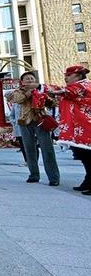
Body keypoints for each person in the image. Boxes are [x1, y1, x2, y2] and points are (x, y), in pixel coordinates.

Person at [6, 71, 61, 186]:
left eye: (32, 78)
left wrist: (47, 97)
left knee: (47, 149)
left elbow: (52, 103)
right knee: (29, 149)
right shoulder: (18, 91)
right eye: (27, 79)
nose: (30, 80)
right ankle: (34, 174)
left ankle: (54, 177)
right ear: (22, 81)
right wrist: (30, 92)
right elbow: (19, 100)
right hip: (25, 122)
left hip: (40, 120)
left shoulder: (41, 90)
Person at [52, 65, 91, 193]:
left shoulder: (83, 85)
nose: (66, 78)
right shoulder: (77, 87)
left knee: (88, 155)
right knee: (84, 156)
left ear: (79, 75)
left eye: (69, 75)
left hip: (86, 126)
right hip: (79, 127)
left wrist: (45, 88)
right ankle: (88, 180)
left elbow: (68, 92)